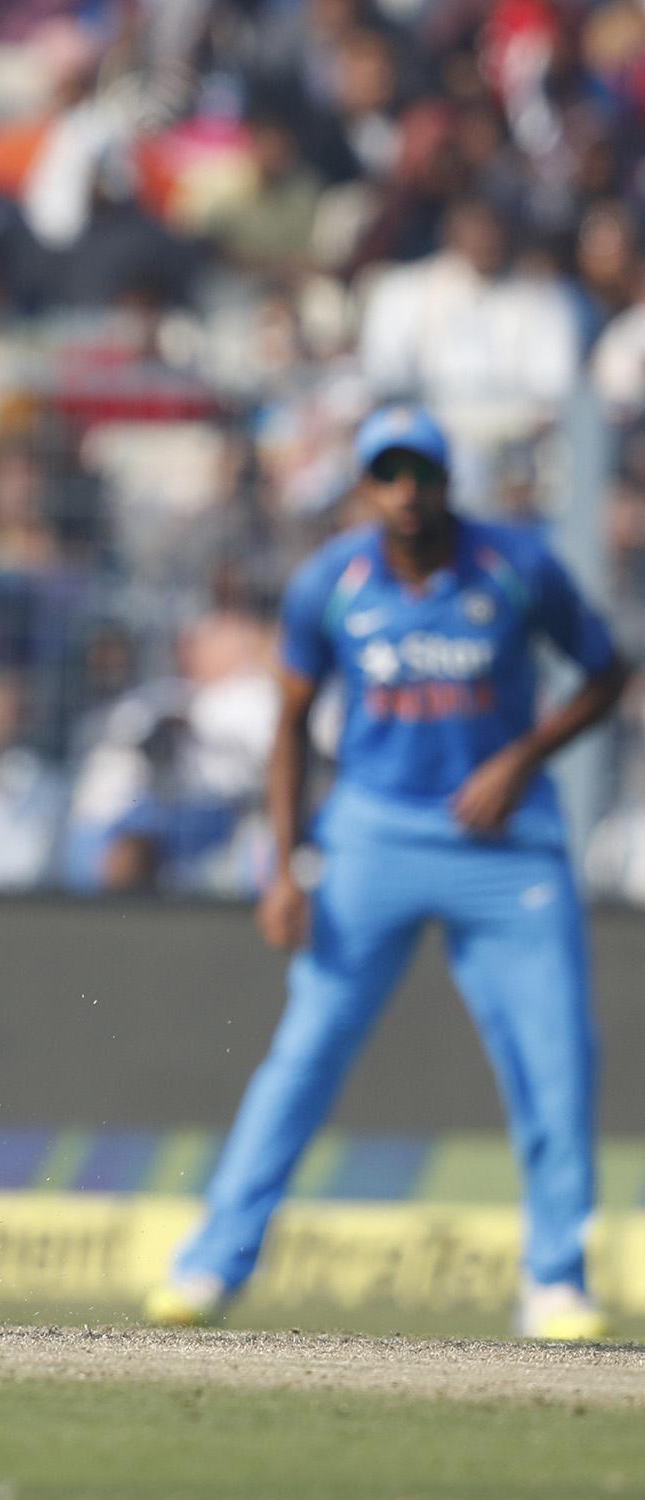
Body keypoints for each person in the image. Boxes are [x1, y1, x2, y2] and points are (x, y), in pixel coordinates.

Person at [146, 405, 631, 1340]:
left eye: (422, 474)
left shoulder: (515, 565)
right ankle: (211, 1265)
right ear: (367, 486)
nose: (407, 493)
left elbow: (607, 671)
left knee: (557, 1056)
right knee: (308, 1051)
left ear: (447, 481)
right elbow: (290, 723)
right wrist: (284, 867)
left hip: (507, 842)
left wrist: (523, 758)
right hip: (375, 833)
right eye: (388, 475)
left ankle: (558, 1277)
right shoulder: (333, 580)